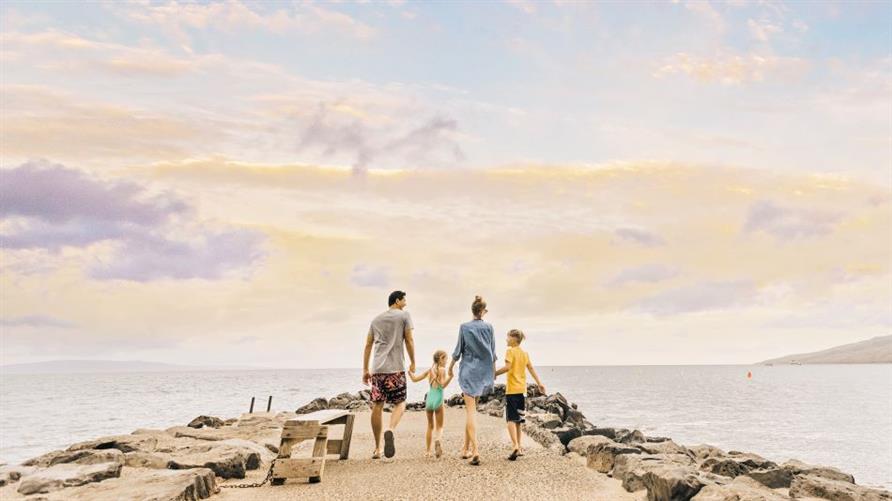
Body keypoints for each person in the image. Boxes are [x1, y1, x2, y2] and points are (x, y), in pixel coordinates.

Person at [362, 290, 416, 459]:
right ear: (397, 301)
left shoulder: (376, 320)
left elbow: (368, 345)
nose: (406, 303)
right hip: (396, 368)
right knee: (400, 403)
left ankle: (377, 448)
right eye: (404, 300)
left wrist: (365, 369)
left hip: (378, 369)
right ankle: (390, 429)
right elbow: (409, 340)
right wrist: (413, 361)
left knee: (377, 405)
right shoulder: (404, 316)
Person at [448, 295, 496, 466]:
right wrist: (493, 373)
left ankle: (475, 450)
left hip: (468, 372)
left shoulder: (464, 327)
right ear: (482, 311)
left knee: (470, 412)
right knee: (472, 411)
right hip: (483, 373)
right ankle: (465, 448)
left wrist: (450, 367)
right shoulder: (489, 327)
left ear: (473, 310)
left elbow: (458, 351)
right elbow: (493, 353)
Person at [495, 329, 546, 460]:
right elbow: (531, 368)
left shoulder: (510, 351)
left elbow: (507, 367)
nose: (506, 339)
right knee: (518, 420)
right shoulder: (524, 354)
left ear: (514, 338)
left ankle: (515, 446)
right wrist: (539, 383)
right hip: (522, 391)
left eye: (508, 337)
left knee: (510, 420)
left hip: (512, 390)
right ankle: (520, 446)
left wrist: (494, 373)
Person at [408, 350, 453, 458]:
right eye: (446, 359)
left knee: (430, 426)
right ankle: (437, 440)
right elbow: (442, 385)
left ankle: (428, 451)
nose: (446, 362)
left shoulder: (430, 370)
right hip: (438, 398)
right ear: (441, 359)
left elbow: (414, 379)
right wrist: (450, 377)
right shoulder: (442, 370)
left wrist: (409, 372)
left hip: (429, 399)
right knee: (440, 426)